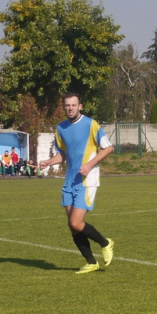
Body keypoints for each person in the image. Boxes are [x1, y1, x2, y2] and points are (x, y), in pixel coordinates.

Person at [39, 92, 116, 274]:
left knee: (75, 222)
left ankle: (106, 243)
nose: (70, 108)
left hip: (86, 180)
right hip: (69, 181)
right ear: (64, 107)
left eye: (74, 105)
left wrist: (90, 164)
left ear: (80, 106)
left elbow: (109, 147)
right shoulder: (61, 128)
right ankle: (91, 262)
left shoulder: (91, 124)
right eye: (67, 105)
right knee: (73, 227)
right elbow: (63, 154)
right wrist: (49, 162)